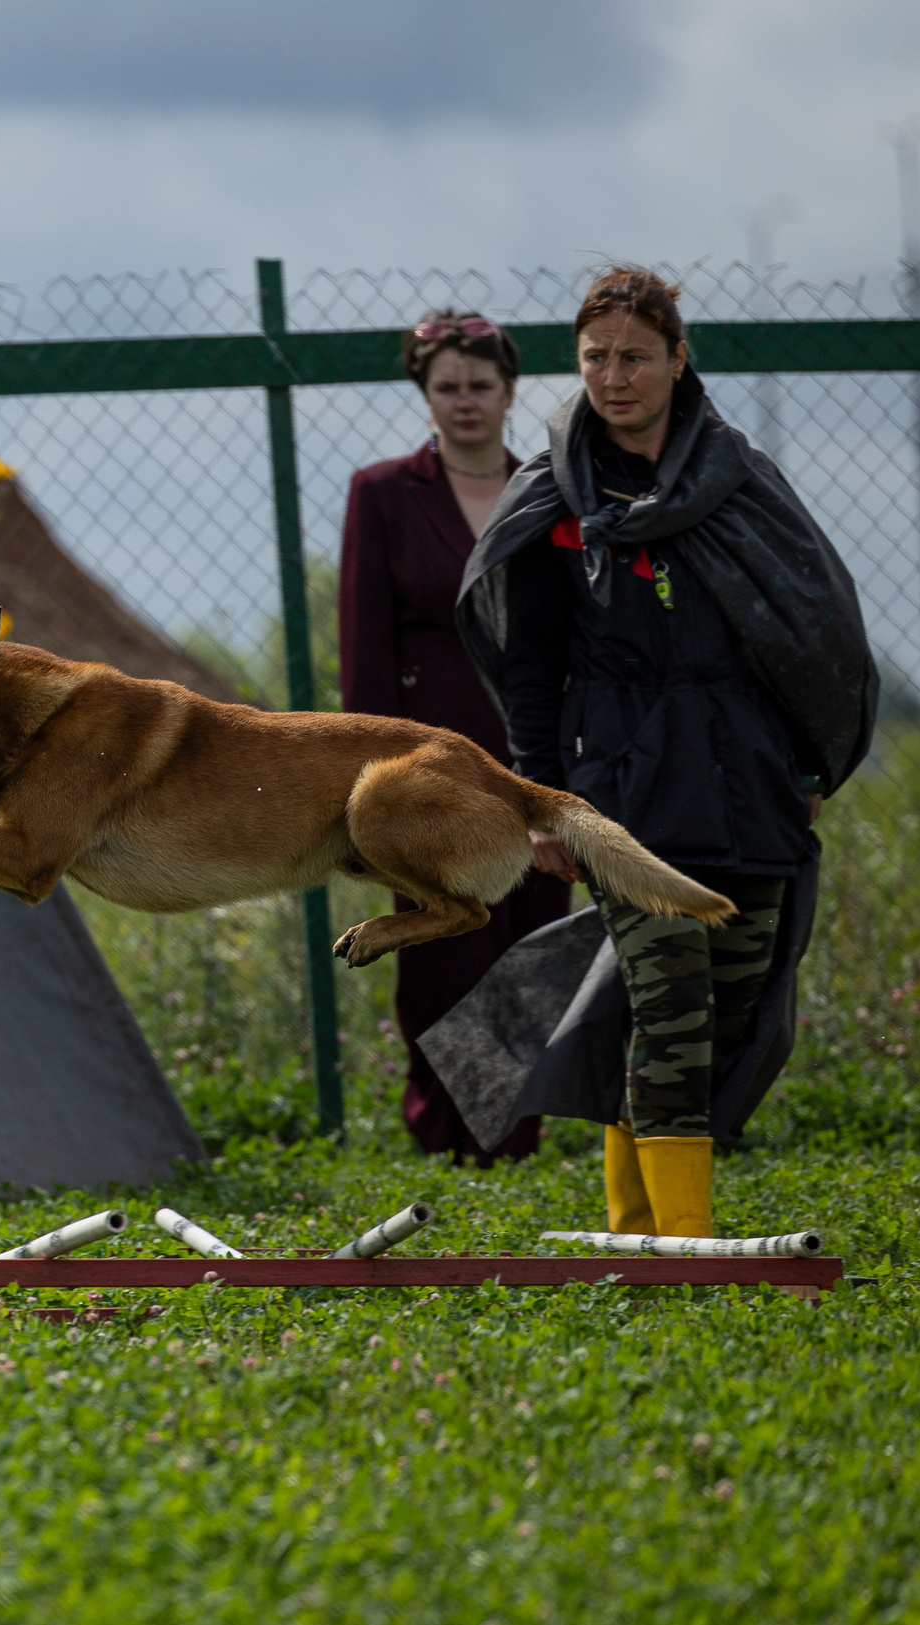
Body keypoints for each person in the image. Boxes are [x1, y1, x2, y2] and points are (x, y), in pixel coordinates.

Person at [452, 266, 877, 1237]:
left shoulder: (741, 483)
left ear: (679, 360)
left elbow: (812, 632)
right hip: (621, 796)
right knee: (670, 1004)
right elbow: (531, 672)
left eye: (636, 357)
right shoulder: (555, 499)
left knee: (727, 1010)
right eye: (595, 358)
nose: (614, 377)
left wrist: (809, 764)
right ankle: (684, 1248)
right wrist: (539, 801)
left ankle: (639, 1225)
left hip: (751, 784)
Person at [338, 312, 569, 1164]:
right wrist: (369, 788)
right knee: (444, 947)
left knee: (534, 944)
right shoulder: (382, 493)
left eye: (480, 385)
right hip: (427, 768)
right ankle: (447, 1133)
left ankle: (514, 1135)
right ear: (425, 395)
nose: (465, 400)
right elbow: (365, 647)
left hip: (535, 752)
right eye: (447, 387)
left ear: (509, 392)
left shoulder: (553, 489)